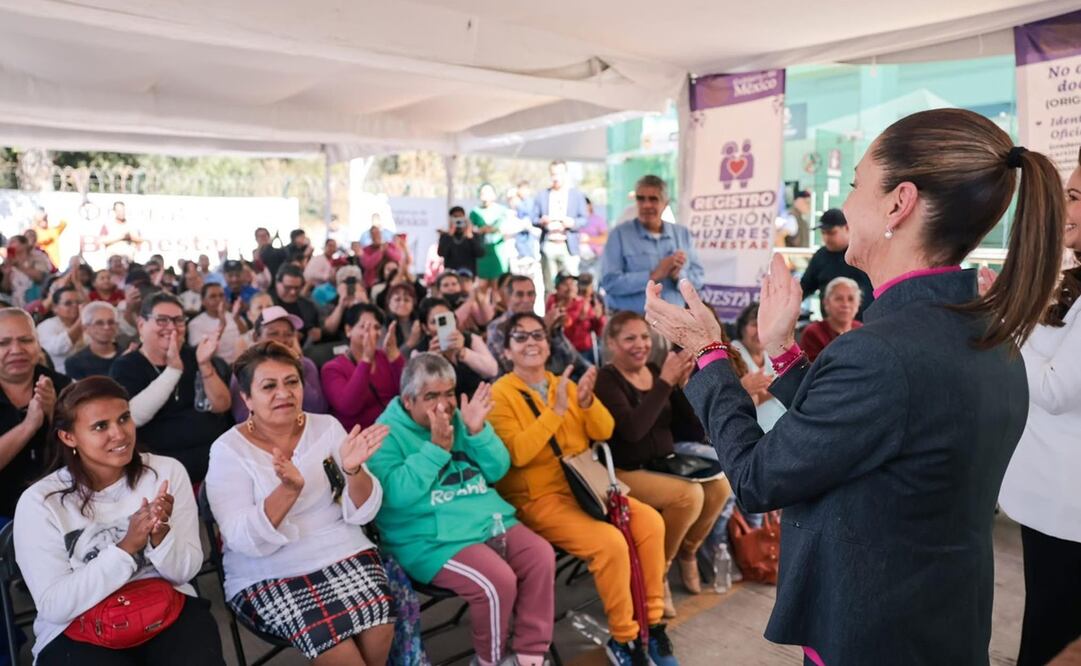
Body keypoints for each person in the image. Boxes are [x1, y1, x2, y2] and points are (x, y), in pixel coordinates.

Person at [643, 108, 1065, 664]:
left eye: (855, 183)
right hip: (938, 617)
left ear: (899, 202)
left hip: (878, 627)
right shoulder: (981, 326)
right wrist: (785, 348)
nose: (845, 202)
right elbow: (864, 424)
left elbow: (755, 478)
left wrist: (708, 353)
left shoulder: (885, 350)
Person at [488, 312, 676, 666]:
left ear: (548, 344)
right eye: (520, 337)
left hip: (588, 486)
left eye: (537, 336)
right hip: (538, 499)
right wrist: (556, 411)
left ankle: (653, 625)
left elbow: (603, 431)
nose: (531, 343)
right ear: (506, 351)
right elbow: (518, 453)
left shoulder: (566, 382)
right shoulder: (501, 395)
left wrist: (587, 403)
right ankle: (625, 638)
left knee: (651, 524)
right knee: (610, 545)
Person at [13, 376, 224, 665]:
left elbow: (183, 573)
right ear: (68, 437)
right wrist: (125, 548)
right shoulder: (40, 502)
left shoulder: (165, 472)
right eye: (100, 426)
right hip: (77, 626)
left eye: (124, 418)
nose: (120, 434)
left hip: (162, 607)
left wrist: (160, 537)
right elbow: (55, 606)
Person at [205, 342, 395, 664]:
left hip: (339, 547)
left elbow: (363, 510)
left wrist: (353, 470)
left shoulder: (327, 427)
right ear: (247, 398)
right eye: (269, 386)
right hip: (269, 569)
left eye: (292, 382)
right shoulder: (228, 451)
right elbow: (239, 537)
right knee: (337, 649)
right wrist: (288, 491)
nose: (284, 393)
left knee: (381, 620)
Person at [370, 354, 555, 666]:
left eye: (449, 393)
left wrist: (477, 430)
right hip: (428, 538)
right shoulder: (384, 434)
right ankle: (490, 661)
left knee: (541, 556)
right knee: (496, 583)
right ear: (407, 400)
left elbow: (497, 470)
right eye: (431, 397)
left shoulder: (461, 418)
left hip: (484, 518)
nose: (444, 405)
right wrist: (436, 449)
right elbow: (394, 496)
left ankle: (529, 656)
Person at [997, 149, 1081, 666]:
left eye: (1072, 197)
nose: (1064, 209)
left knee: (1051, 639)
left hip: (1067, 512)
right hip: (1051, 504)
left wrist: (1009, 323)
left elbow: (1054, 389)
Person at [594, 312, 730, 616]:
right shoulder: (606, 379)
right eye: (630, 338)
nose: (640, 344)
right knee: (688, 497)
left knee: (721, 485)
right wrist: (664, 384)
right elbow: (632, 431)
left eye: (644, 337)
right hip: (628, 471)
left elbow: (694, 429)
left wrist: (679, 387)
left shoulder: (656, 371)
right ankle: (658, 571)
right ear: (612, 344)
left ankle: (688, 551)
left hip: (667, 462)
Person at [109, 293, 232, 483]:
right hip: (163, 468)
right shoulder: (127, 366)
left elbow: (222, 405)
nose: (172, 328)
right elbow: (132, 417)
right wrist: (172, 371)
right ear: (141, 324)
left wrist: (205, 364)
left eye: (178, 320)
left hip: (215, 458)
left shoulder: (195, 355)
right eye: (162, 320)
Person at [0, 308, 69, 518]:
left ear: (38, 344)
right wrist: (29, 426)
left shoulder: (63, 386)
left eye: (26, 340)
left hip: (58, 509)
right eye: (3, 343)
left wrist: (54, 417)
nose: (16, 349)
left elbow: (84, 457)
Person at [601, 175, 704, 314]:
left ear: (665, 203)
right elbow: (609, 283)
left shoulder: (682, 234)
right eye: (641, 198)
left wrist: (678, 275)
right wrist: (653, 275)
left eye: (653, 199)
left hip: (674, 324)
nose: (646, 205)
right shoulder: (619, 234)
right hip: (633, 324)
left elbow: (698, 280)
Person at [230, 306, 328, 423]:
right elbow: (242, 417)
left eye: (288, 334)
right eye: (273, 333)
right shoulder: (244, 369)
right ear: (256, 337)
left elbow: (318, 409)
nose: (282, 340)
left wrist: (295, 368)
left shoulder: (305, 364)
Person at [322, 303, 404, 431]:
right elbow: (348, 407)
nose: (371, 332)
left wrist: (394, 354)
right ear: (348, 330)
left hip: (395, 428)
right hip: (360, 437)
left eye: (376, 327)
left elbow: (407, 393)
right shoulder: (332, 368)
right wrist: (366, 360)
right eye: (364, 327)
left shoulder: (385, 356)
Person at [486, 275, 588, 378]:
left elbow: (571, 359)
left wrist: (555, 331)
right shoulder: (496, 328)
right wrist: (545, 329)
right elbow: (511, 367)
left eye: (530, 294)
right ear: (508, 297)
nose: (526, 300)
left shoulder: (542, 320)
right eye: (520, 295)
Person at [799, 208, 875, 320]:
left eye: (831, 233)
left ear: (847, 228)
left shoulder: (864, 253)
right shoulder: (820, 256)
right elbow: (804, 287)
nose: (826, 238)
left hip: (865, 323)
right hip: (830, 328)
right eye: (823, 233)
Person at [415, 297, 498, 398]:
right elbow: (418, 389)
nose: (441, 326)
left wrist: (463, 352)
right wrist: (432, 360)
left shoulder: (471, 339)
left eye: (446, 319)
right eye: (434, 322)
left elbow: (492, 370)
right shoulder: (419, 353)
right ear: (426, 328)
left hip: (480, 400)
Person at [532, 161, 589, 291]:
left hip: (568, 245)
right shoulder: (543, 195)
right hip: (549, 244)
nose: (555, 177)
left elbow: (584, 219)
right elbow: (533, 218)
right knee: (550, 287)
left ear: (565, 174)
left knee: (572, 286)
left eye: (559, 174)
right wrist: (543, 221)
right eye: (553, 174)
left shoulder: (576, 195)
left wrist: (572, 223)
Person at [729, 304, 785, 431]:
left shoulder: (771, 353)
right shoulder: (732, 354)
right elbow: (736, 401)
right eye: (755, 324)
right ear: (742, 328)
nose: (760, 331)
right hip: (752, 432)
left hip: (781, 426)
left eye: (765, 325)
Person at [799, 277, 863, 361]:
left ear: (858, 303)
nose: (845, 304)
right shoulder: (813, 333)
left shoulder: (862, 330)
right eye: (838, 299)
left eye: (851, 299)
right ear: (826, 302)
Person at [546, 273, 605, 358]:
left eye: (572, 283)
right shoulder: (552, 304)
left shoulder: (584, 303)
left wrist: (599, 318)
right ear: (557, 288)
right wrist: (578, 318)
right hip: (561, 353)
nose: (570, 287)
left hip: (585, 352)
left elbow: (599, 331)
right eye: (565, 284)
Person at [187, 282, 247, 365]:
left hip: (241, 364)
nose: (218, 299)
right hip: (216, 367)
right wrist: (222, 326)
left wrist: (236, 318)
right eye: (213, 296)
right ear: (203, 301)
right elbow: (201, 353)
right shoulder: (195, 324)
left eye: (221, 295)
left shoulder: (235, 317)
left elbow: (248, 339)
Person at [66, 301, 122, 380]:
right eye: (99, 323)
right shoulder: (75, 362)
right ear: (85, 328)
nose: (106, 327)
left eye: (111, 322)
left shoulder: (128, 355)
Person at [471, 185, 512, 288]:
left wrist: (494, 229)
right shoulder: (475, 212)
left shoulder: (502, 210)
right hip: (482, 251)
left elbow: (507, 228)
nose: (485, 196)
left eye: (488, 193)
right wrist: (481, 230)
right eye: (482, 193)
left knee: (498, 285)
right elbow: (471, 230)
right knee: (482, 286)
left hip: (498, 250)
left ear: (494, 195)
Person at [37, 285, 84, 374]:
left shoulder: (89, 323)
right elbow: (59, 348)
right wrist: (80, 321)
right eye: (68, 303)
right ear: (55, 308)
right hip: (61, 378)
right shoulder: (45, 326)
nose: (75, 306)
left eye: (78, 302)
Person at [271, 264, 322, 345]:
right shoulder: (267, 304)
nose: (293, 292)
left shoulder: (308, 305)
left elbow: (315, 327)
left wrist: (315, 333)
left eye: (297, 288)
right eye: (288, 287)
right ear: (277, 284)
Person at [360, 225, 404, 290]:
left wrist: (386, 249)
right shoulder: (366, 250)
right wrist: (380, 251)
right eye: (373, 233)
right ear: (370, 235)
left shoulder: (389, 246)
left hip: (392, 280)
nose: (376, 235)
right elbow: (368, 264)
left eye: (377, 233)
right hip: (372, 284)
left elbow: (398, 257)